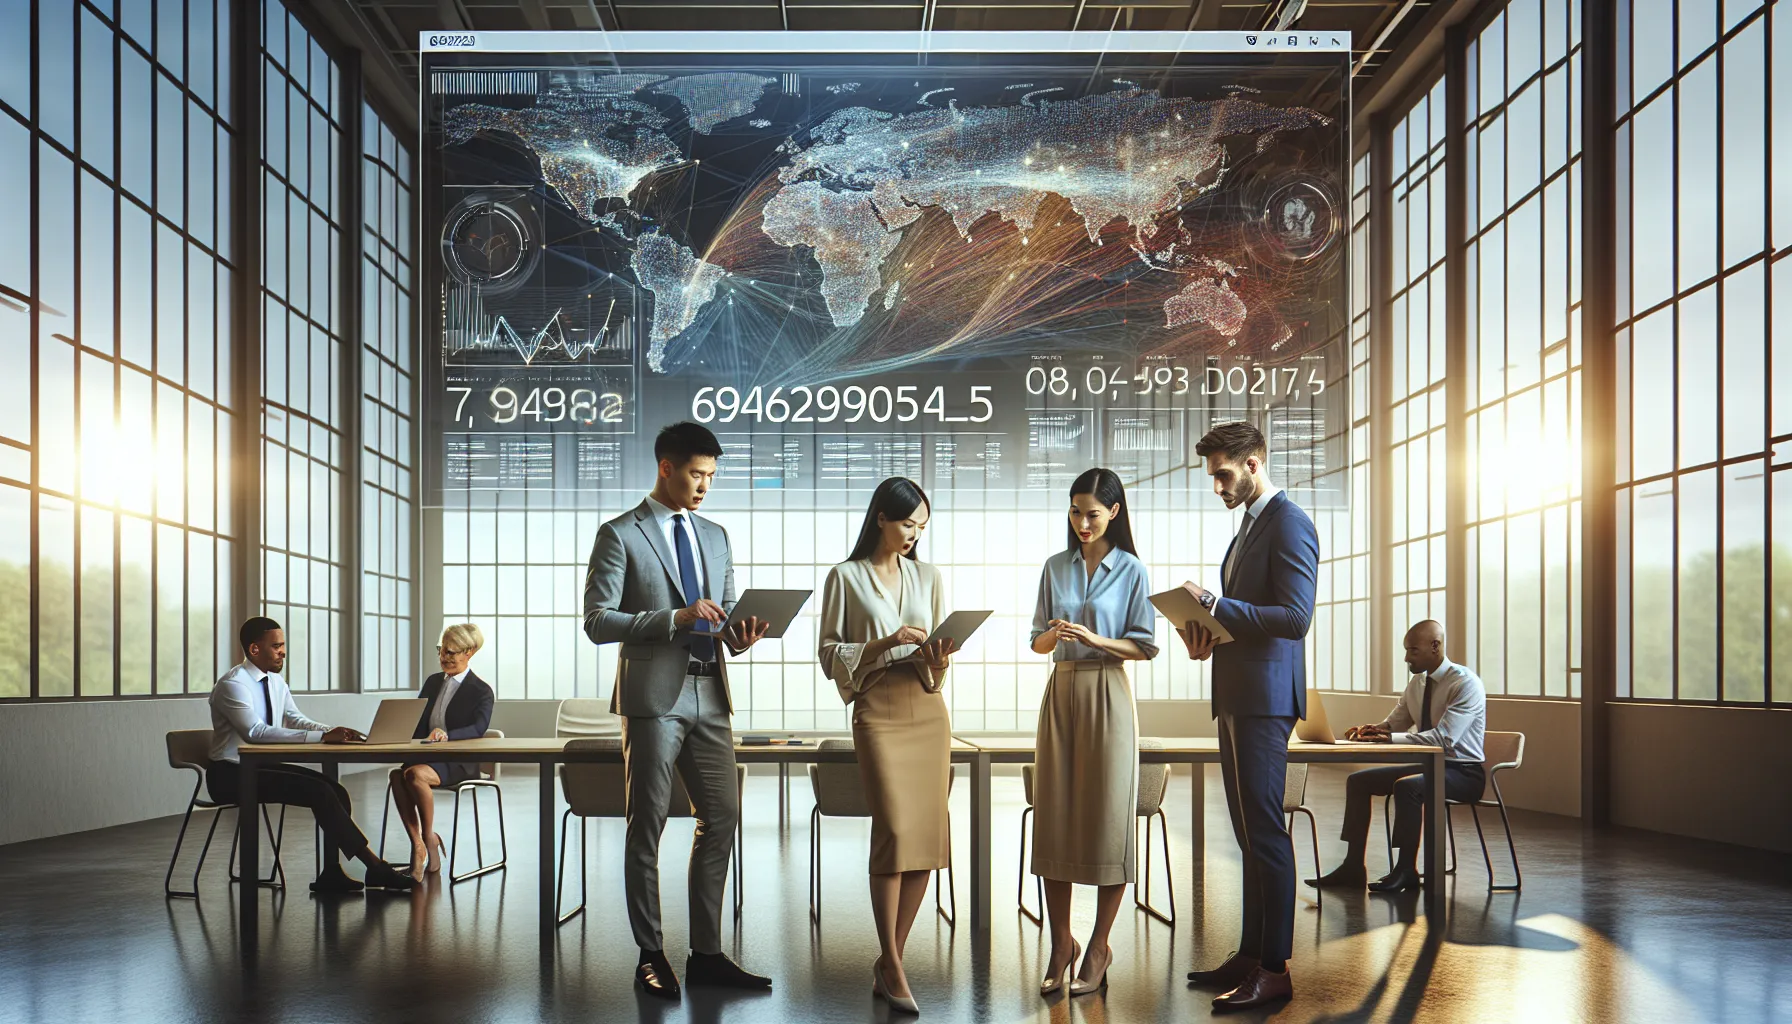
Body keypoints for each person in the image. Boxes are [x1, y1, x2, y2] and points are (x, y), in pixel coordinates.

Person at [582, 421, 772, 1001]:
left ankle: (707, 955)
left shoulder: (715, 535)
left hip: (710, 691)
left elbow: (729, 611)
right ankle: (650, 953)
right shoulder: (620, 534)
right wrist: (675, 619)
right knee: (649, 824)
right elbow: (596, 621)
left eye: (711, 476)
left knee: (723, 816)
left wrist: (743, 633)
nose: (704, 486)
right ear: (666, 467)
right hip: (653, 698)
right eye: (696, 473)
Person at [1181, 421, 1317, 1012]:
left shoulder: (1290, 523)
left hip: (1264, 699)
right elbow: (1248, 616)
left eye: (1223, 474)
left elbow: (1294, 617)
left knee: (1265, 834)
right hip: (1236, 691)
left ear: (1254, 463)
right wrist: (1207, 632)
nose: (1216, 486)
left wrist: (1217, 605)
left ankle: (1275, 970)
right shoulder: (1248, 528)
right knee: (1246, 835)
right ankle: (1250, 953)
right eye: (1212, 476)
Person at [817, 477, 958, 1017]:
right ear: (880, 517)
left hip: (926, 709)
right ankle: (893, 962)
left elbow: (939, 661)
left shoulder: (929, 575)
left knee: (925, 836)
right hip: (876, 709)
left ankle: (890, 960)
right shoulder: (845, 577)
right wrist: (885, 641)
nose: (913, 535)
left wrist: (940, 653)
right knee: (894, 830)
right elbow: (830, 655)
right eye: (906, 523)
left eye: (922, 527)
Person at [1029, 467, 1158, 999]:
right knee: (1053, 817)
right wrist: (1054, 635)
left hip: (1109, 692)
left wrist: (1097, 639)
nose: (1083, 522)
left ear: (1114, 514)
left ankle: (1100, 944)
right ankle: (1063, 942)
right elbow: (1036, 641)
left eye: (1094, 514)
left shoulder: (1131, 570)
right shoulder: (1054, 567)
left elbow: (1146, 645)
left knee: (1109, 819)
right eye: (1076, 511)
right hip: (1061, 691)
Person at [207, 617, 415, 893]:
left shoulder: (276, 682)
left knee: (335, 790)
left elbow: (295, 719)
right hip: (229, 774)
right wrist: (322, 737)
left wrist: (332, 731)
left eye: (283, 645)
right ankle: (375, 867)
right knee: (320, 792)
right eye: (277, 646)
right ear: (255, 649)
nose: (283, 651)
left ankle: (331, 872)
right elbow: (255, 732)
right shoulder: (233, 685)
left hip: (259, 767)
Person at [1308, 620, 1487, 893]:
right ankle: (1352, 866)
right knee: (1358, 781)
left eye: (1413, 651)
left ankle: (1406, 870)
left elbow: (1445, 738)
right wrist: (1373, 730)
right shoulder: (1417, 683)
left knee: (1407, 786)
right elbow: (1396, 724)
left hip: (1463, 771)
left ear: (1435, 646)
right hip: (1428, 765)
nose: (1406, 658)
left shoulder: (1465, 684)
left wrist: (1388, 737)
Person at [387, 623, 496, 877]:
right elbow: (417, 720)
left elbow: (479, 728)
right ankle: (418, 846)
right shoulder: (432, 682)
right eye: (441, 650)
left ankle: (429, 836)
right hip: (426, 755)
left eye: (451, 652)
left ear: (468, 652)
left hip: (458, 760)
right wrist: (396, 732)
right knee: (396, 776)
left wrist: (447, 736)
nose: (444, 657)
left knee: (414, 775)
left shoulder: (482, 691)